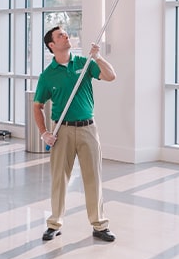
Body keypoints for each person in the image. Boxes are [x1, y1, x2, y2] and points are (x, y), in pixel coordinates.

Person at [33, 26, 117, 242]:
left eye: (65, 34)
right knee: (59, 179)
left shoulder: (84, 63)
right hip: (62, 132)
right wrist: (44, 133)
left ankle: (99, 225)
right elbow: (37, 106)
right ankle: (54, 224)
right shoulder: (47, 75)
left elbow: (111, 76)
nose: (66, 36)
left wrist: (97, 57)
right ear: (52, 45)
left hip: (88, 128)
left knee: (93, 177)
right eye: (60, 35)